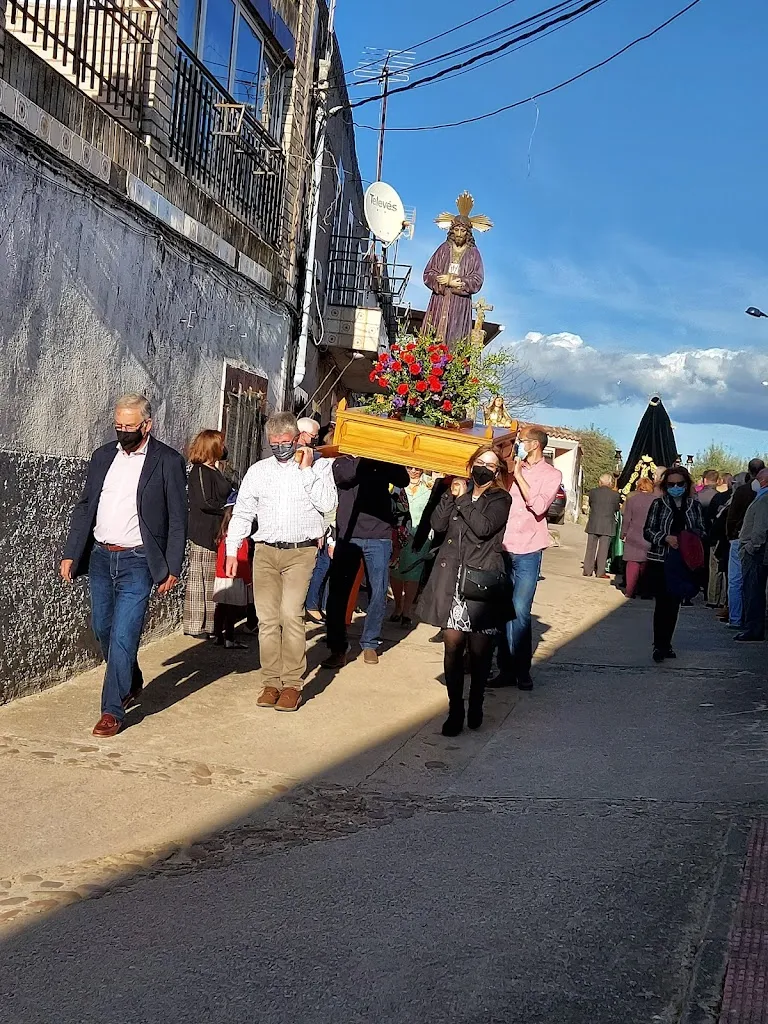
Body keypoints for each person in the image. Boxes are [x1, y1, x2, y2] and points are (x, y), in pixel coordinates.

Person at [60, 394, 187, 737]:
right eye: (118, 425)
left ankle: (111, 710)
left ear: (147, 425)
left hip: (139, 561)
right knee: (103, 628)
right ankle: (130, 678)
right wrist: (71, 552)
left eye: (130, 426)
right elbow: (85, 506)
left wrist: (172, 565)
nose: (123, 432)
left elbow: (178, 518)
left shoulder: (167, 461)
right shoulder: (103, 457)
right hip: (101, 558)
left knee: (123, 634)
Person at [225, 412, 337, 712]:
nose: (279, 449)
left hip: (301, 552)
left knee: (291, 614)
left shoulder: (320, 467)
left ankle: (292, 684)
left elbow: (328, 504)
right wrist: (233, 550)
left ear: (297, 439)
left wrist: (307, 470)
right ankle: (271, 682)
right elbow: (243, 512)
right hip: (265, 551)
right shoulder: (259, 472)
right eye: (273, 444)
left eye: (285, 443)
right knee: (267, 620)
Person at [416, 445, 512, 736]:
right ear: (471, 465)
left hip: (481, 580)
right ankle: (455, 709)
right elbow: (437, 524)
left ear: (497, 472)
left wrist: (463, 500)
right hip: (452, 579)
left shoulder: (501, 498)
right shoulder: (460, 492)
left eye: (490, 465)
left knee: (480, 651)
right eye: (480, 462)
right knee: (452, 645)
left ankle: (476, 701)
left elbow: (484, 528)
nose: (484, 468)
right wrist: (450, 493)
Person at [491, 426, 562, 690]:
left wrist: (520, 476)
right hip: (504, 547)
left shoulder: (551, 474)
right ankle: (504, 669)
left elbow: (540, 506)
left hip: (528, 550)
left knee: (520, 611)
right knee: (501, 611)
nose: (519, 444)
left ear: (535, 445)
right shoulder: (509, 470)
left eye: (522, 441)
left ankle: (522, 671)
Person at [323, 457, 410, 667]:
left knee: (378, 592)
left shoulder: (382, 458)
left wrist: (381, 456)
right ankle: (338, 648)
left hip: (379, 535)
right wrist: (363, 457)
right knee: (338, 593)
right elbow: (344, 476)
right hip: (348, 535)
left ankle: (370, 642)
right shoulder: (342, 461)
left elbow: (403, 479)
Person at [643, 466, 705, 662]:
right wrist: (665, 538)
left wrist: (690, 537)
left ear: (686, 485)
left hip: (684, 562)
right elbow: (648, 530)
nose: (676, 487)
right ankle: (659, 645)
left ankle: (667, 643)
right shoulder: (658, 504)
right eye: (671, 484)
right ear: (665, 485)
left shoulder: (694, 506)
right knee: (662, 603)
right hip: (661, 560)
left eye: (680, 484)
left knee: (674, 604)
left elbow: (703, 529)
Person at [183, 429, 231, 638]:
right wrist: (227, 508)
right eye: (221, 444)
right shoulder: (200, 471)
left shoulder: (214, 470)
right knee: (199, 580)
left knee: (211, 580)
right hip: (203, 531)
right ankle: (196, 624)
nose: (224, 448)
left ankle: (210, 624)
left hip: (215, 531)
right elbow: (205, 501)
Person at [390, 467, 433, 626]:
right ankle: (398, 606)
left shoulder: (429, 486)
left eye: (417, 468)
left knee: (413, 575)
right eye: (410, 467)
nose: (414, 470)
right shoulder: (396, 485)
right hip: (398, 538)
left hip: (420, 538)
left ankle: (407, 610)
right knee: (395, 572)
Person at [726, 460, 764, 630]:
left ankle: (737, 619)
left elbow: (732, 515)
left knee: (737, 581)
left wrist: (731, 535)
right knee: (754, 583)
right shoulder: (759, 493)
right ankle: (750, 620)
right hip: (754, 540)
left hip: (741, 539)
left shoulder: (743, 491)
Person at [735, 468, 768, 642]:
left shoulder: (764, 499)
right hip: (756, 550)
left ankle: (753, 628)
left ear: (763, 481)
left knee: (753, 590)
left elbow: (761, 527)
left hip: (756, 553)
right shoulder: (761, 497)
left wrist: (751, 546)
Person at [212, 497, 250, 649]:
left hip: (221, 577)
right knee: (232, 611)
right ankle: (229, 638)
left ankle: (218, 636)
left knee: (221, 608)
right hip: (235, 578)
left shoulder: (222, 535)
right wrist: (248, 580)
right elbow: (243, 560)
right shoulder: (239, 539)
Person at [620, 476, 655, 598]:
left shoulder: (632, 499)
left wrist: (623, 533)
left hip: (633, 535)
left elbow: (626, 519)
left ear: (638, 486)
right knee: (647, 565)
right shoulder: (656, 500)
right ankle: (645, 592)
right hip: (649, 536)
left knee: (632, 564)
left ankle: (630, 591)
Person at [583, 474, 621, 578]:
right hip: (607, 524)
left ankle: (587, 570)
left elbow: (591, 504)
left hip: (594, 523)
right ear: (610, 483)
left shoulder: (593, 492)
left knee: (590, 548)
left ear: (600, 482)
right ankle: (600, 572)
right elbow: (617, 508)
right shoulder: (615, 495)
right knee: (603, 550)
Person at [705, 474, 733, 609]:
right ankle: (724, 600)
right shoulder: (742, 498)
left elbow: (709, 517)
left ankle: (713, 598)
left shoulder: (719, 497)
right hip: (730, 539)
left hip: (717, 538)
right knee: (728, 570)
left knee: (715, 568)